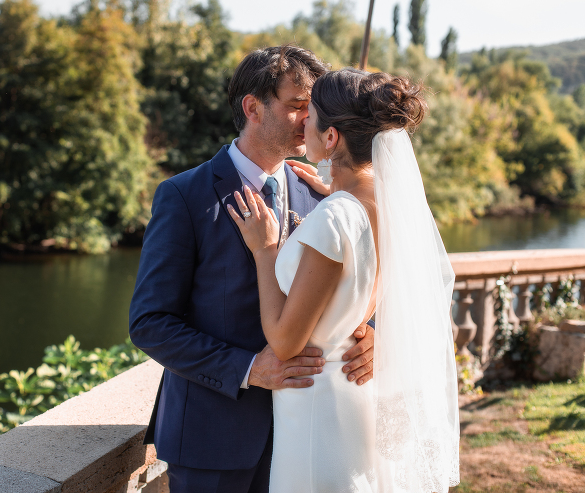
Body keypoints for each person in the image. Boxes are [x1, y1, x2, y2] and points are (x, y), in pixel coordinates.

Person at [129, 46, 376, 493]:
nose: (310, 119)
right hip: (212, 441)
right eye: (298, 106)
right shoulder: (184, 196)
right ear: (253, 108)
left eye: (312, 109)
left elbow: (353, 285)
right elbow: (150, 323)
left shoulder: (322, 195)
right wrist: (248, 369)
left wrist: (368, 333)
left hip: (304, 434)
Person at [227, 68, 460, 492]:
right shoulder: (391, 208)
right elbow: (429, 285)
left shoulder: (335, 217)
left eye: (310, 114)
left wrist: (264, 251)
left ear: (331, 138)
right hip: (355, 396)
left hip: (315, 407)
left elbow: (284, 341)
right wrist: (336, 191)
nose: (303, 123)